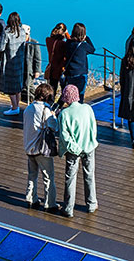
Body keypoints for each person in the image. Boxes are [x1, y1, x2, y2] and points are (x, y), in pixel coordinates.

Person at [56, 85, 99, 217]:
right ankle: (91, 204)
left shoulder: (64, 114)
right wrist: (91, 142)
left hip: (73, 150)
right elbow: (93, 127)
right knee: (89, 175)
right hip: (89, 147)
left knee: (70, 178)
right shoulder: (87, 108)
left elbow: (64, 136)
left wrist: (74, 148)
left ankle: (68, 208)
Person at [22, 84, 58, 209]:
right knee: (48, 177)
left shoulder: (28, 108)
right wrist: (54, 115)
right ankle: (50, 203)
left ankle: (31, 198)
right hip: (41, 148)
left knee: (32, 175)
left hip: (29, 147)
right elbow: (54, 127)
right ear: (48, 97)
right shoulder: (45, 110)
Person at [0, 11, 38, 116]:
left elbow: (1, 48)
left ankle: (14, 107)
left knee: (10, 87)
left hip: (9, 62)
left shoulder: (7, 32)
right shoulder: (22, 31)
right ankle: (16, 105)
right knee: (17, 86)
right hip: (20, 61)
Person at [62, 23, 95, 100]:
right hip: (81, 74)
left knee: (70, 96)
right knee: (80, 96)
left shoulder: (68, 43)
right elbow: (92, 49)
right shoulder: (83, 46)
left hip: (70, 73)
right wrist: (87, 38)